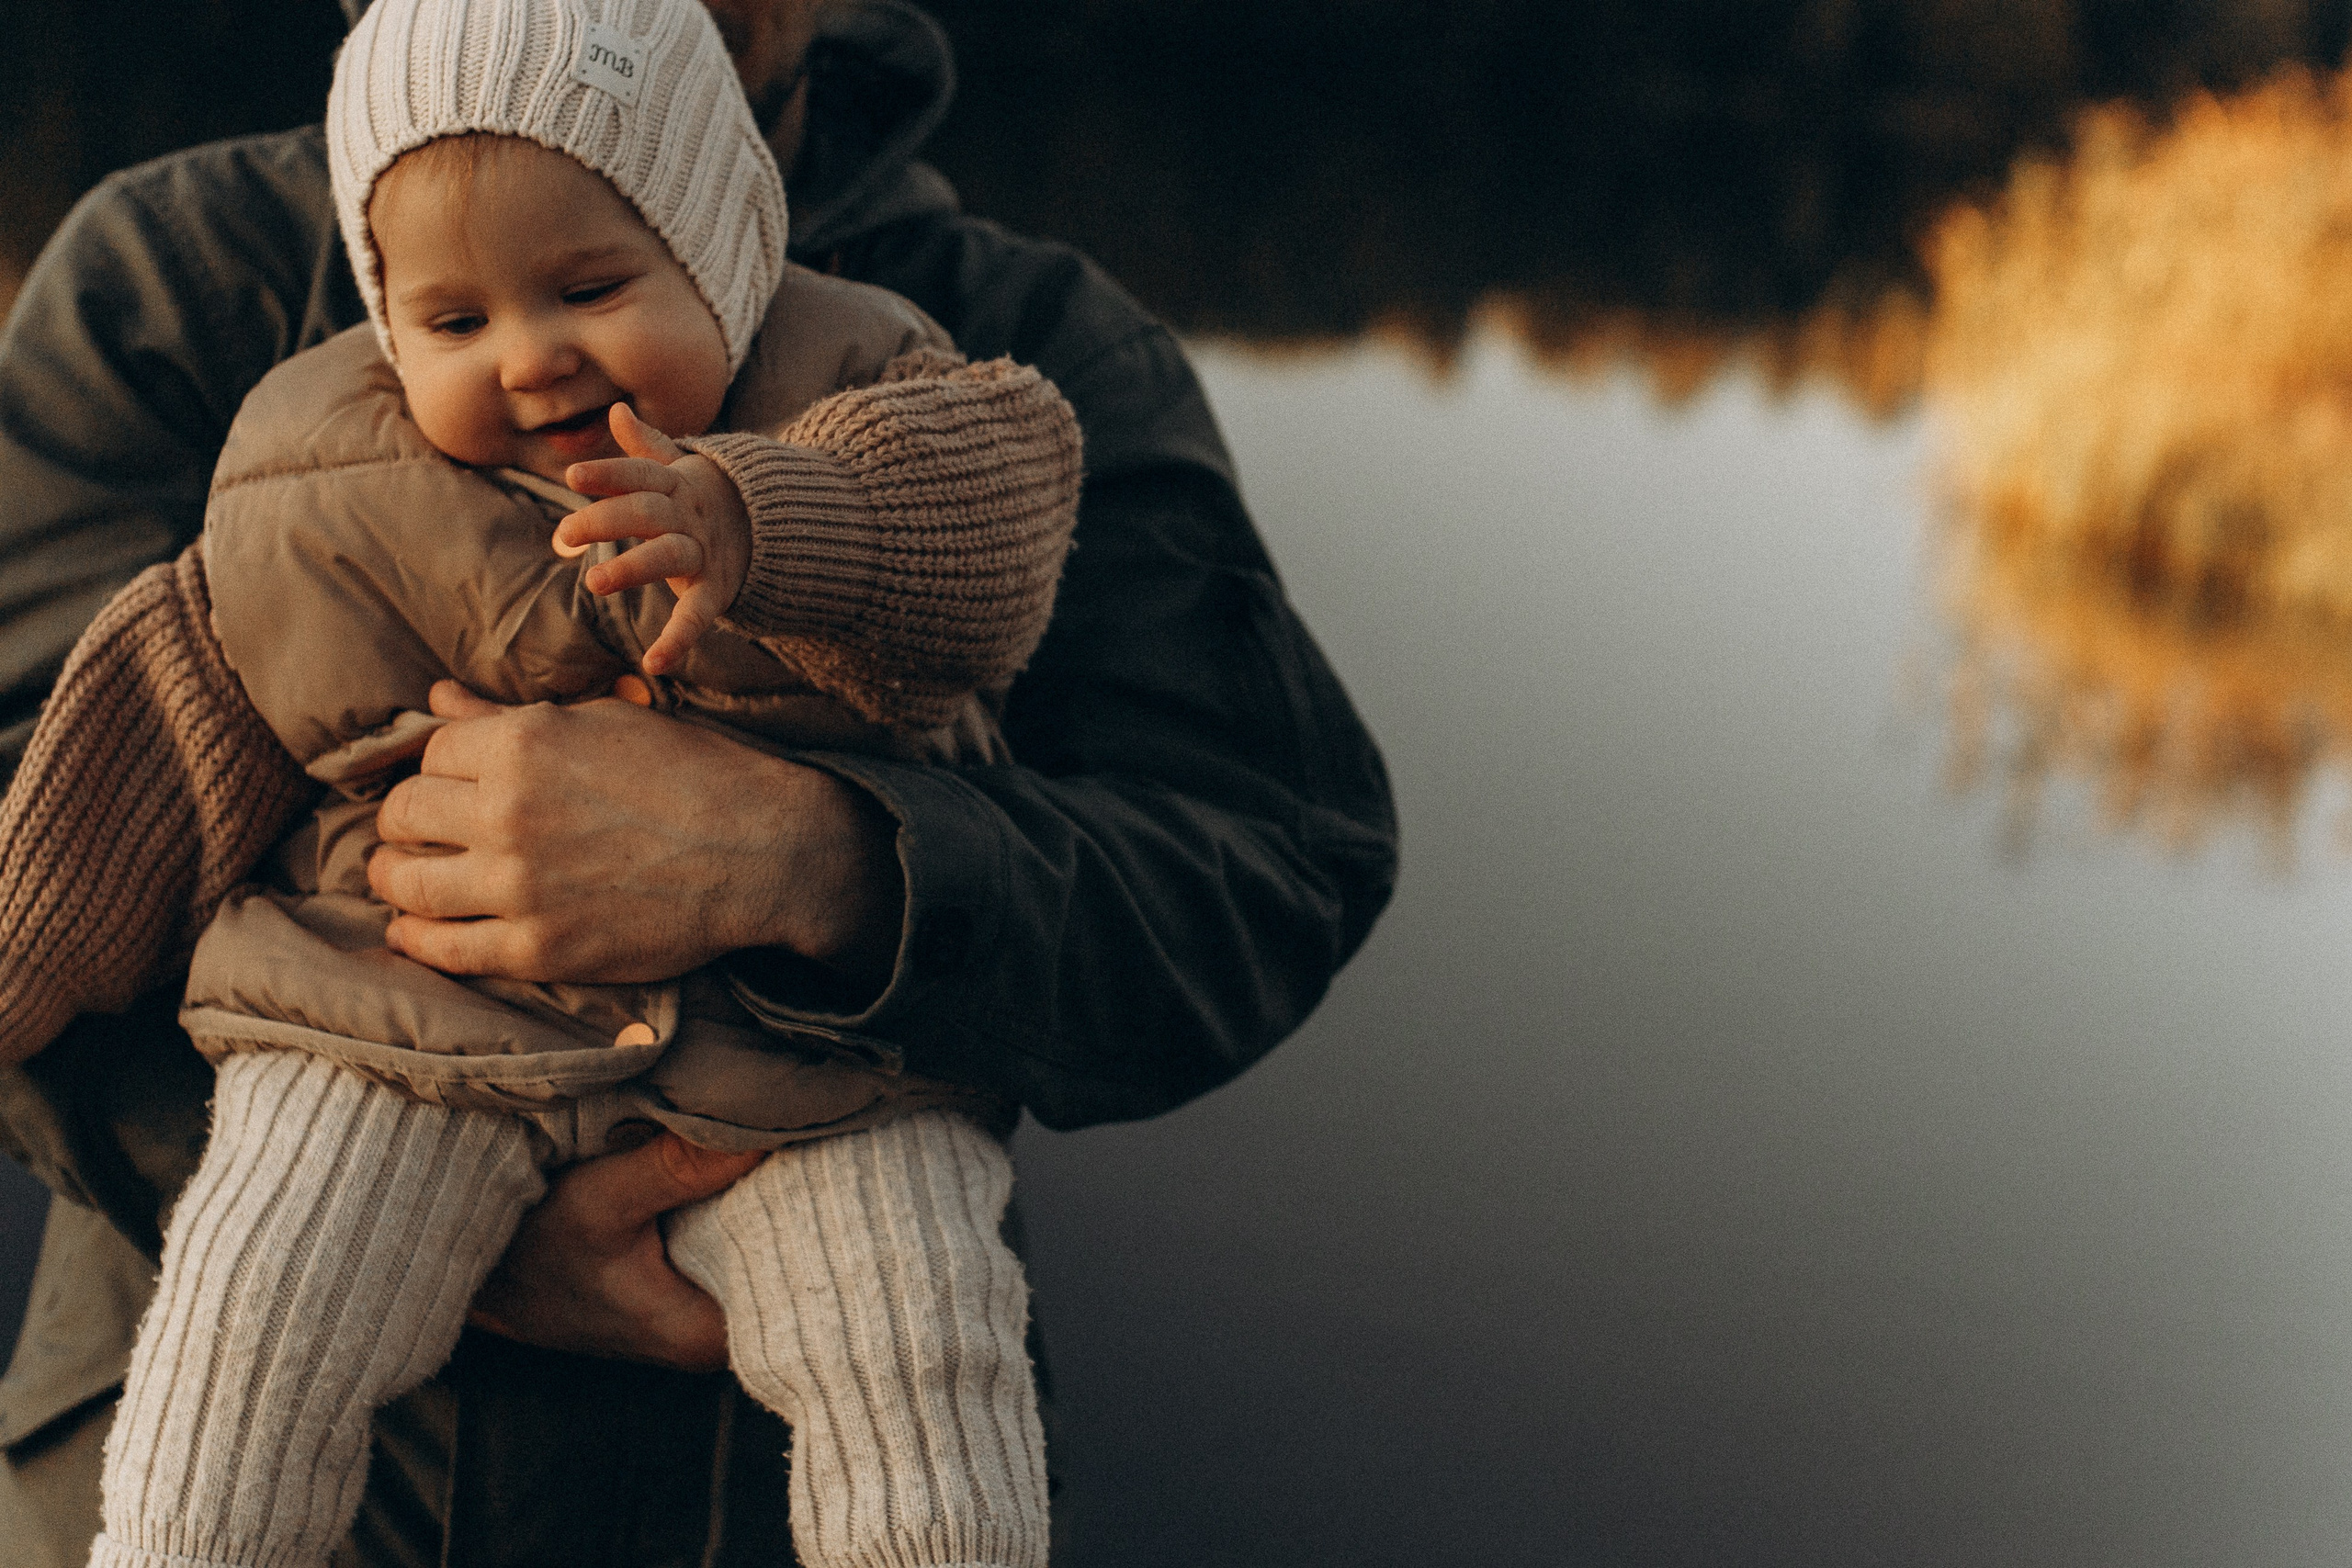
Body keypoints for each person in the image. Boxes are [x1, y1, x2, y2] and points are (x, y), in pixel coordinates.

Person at [0, 1, 1398, 1563]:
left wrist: (834, 863)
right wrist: (418, 1233)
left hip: (754, 1479)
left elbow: (1268, 866)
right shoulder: (181, 285)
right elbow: (56, 831)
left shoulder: (1005, 342)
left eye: (594, 285)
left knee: (917, 1385)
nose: (531, 353)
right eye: (456, 317)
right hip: (268, 1435)